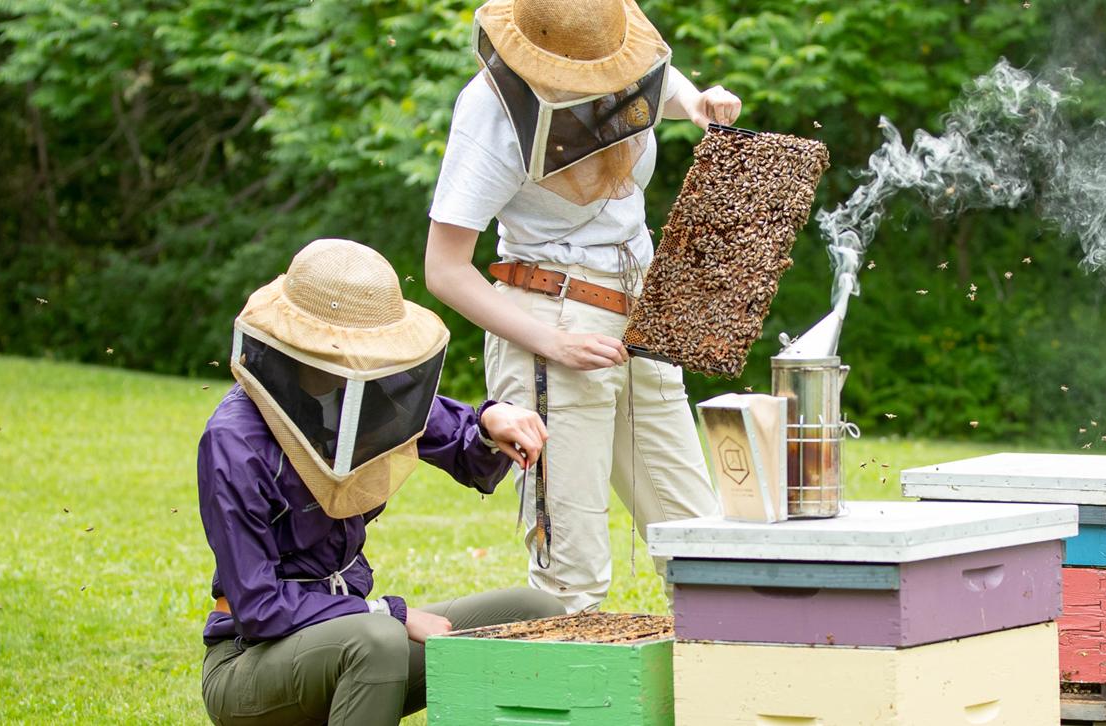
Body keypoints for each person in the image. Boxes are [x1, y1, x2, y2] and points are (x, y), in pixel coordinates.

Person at [423, 0, 741, 611]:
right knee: (573, 578)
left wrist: (699, 102)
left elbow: (662, 83)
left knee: (705, 546)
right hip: (549, 320)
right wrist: (553, 343)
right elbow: (444, 269)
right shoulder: (491, 109)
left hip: (644, 316)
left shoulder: (619, 51)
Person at [197, 238, 560, 726]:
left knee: (533, 613)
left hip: (354, 637)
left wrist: (492, 423)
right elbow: (258, 608)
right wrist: (388, 613)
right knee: (380, 640)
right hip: (250, 663)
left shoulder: (362, 390)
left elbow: (461, 445)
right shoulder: (233, 439)